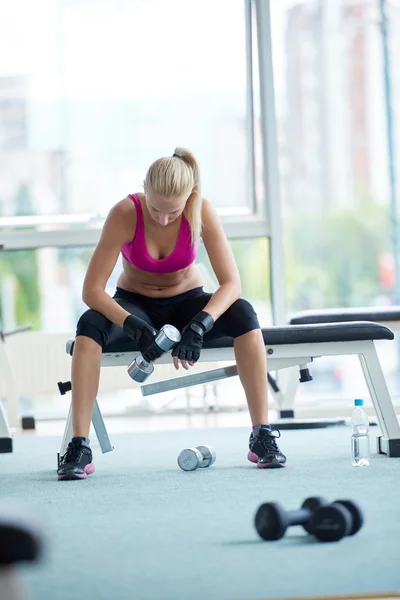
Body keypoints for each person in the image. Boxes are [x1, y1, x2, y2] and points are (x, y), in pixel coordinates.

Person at [57, 148, 286, 481]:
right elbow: (91, 291)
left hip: (189, 302)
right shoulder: (124, 213)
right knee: (88, 325)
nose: (164, 219)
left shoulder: (202, 210)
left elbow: (232, 284)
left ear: (189, 198)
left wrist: (201, 324)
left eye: (173, 212)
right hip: (134, 303)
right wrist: (130, 323)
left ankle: (261, 435)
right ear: (144, 192)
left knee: (245, 315)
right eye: (155, 209)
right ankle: (79, 446)